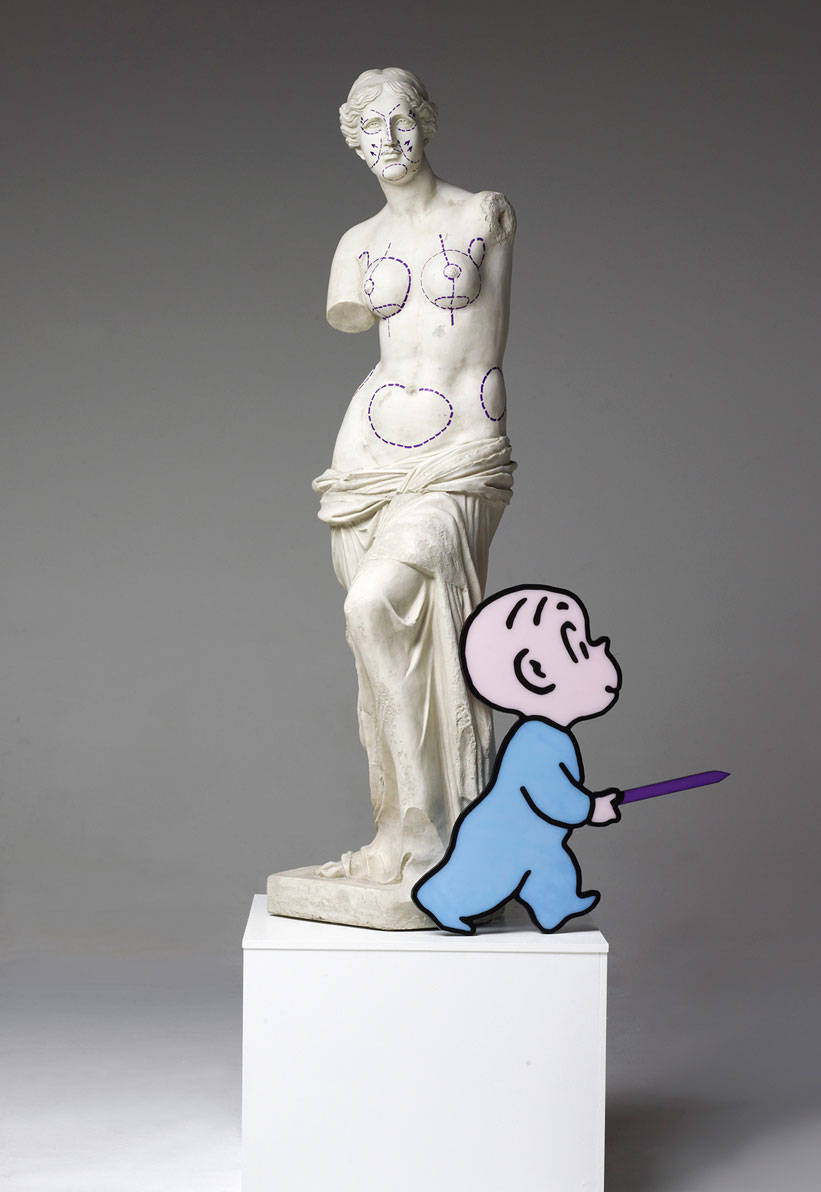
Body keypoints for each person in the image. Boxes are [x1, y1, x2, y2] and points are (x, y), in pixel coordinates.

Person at [313, 68, 517, 887]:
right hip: (367, 462)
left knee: (374, 607)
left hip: (459, 452)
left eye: (400, 122)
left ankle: (430, 824)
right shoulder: (354, 244)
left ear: (425, 124)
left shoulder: (483, 214)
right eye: (370, 130)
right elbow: (354, 318)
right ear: (354, 143)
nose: (389, 141)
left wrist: (473, 445)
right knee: (377, 641)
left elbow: (486, 349)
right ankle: (402, 825)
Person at [412, 586, 623, 933]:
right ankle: (442, 900)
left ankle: (557, 905)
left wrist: (589, 805)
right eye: (583, 648)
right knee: (488, 880)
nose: (602, 647)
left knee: (548, 863)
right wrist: (591, 808)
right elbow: (551, 796)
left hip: (535, 838)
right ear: (536, 672)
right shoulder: (535, 741)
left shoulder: (550, 736)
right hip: (501, 836)